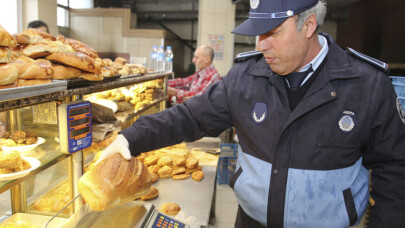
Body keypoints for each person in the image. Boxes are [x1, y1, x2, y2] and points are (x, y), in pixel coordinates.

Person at [99, 0, 405, 227]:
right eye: (258, 33)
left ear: (309, 25)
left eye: (272, 32)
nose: (261, 45)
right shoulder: (247, 76)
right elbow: (190, 117)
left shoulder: (365, 83)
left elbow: (395, 168)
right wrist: (129, 139)